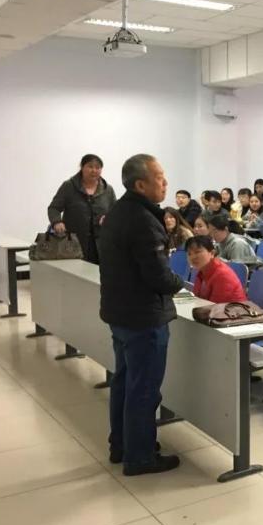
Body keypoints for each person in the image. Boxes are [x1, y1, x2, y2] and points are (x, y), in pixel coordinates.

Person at [99, 153, 183, 475]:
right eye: (159, 178)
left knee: (124, 382)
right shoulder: (144, 221)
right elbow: (158, 276)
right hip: (143, 317)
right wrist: (179, 282)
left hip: (121, 313)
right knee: (144, 389)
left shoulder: (118, 212)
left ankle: (122, 445)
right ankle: (140, 457)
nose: (165, 183)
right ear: (140, 185)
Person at [48, 153, 117, 263]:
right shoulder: (69, 186)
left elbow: (115, 212)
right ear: (82, 167)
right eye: (90, 166)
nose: (94, 170)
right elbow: (54, 208)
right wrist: (57, 222)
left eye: (98, 167)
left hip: (100, 245)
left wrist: (108, 218)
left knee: (97, 272)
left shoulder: (108, 190)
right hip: (73, 242)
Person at [186, 235, 246, 304]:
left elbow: (215, 306)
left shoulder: (222, 275)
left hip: (231, 309)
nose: (193, 257)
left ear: (212, 253)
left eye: (197, 252)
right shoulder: (202, 270)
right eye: (189, 254)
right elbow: (197, 298)